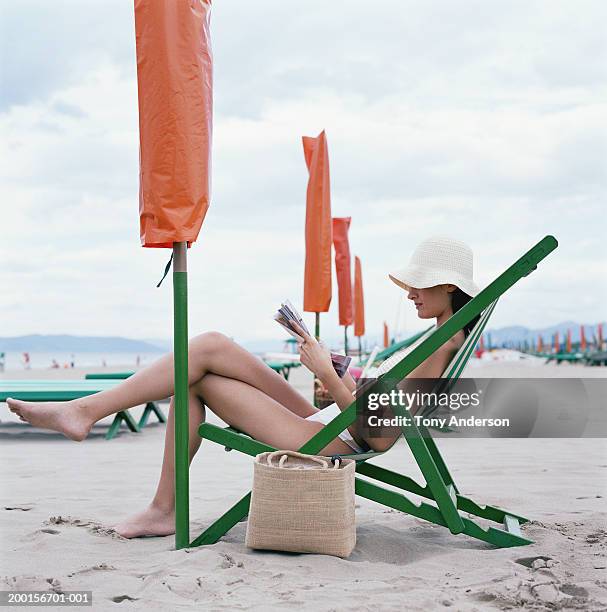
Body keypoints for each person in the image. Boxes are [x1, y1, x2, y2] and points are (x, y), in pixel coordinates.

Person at [6, 236, 480, 539]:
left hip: (334, 438)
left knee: (198, 381)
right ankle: (95, 421)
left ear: (447, 287)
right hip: (330, 420)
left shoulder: (439, 348)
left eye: (419, 285)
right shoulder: (442, 337)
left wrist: (330, 375)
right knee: (213, 344)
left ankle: (150, 491)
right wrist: (337, 380)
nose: (410, 293)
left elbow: (379, 434)